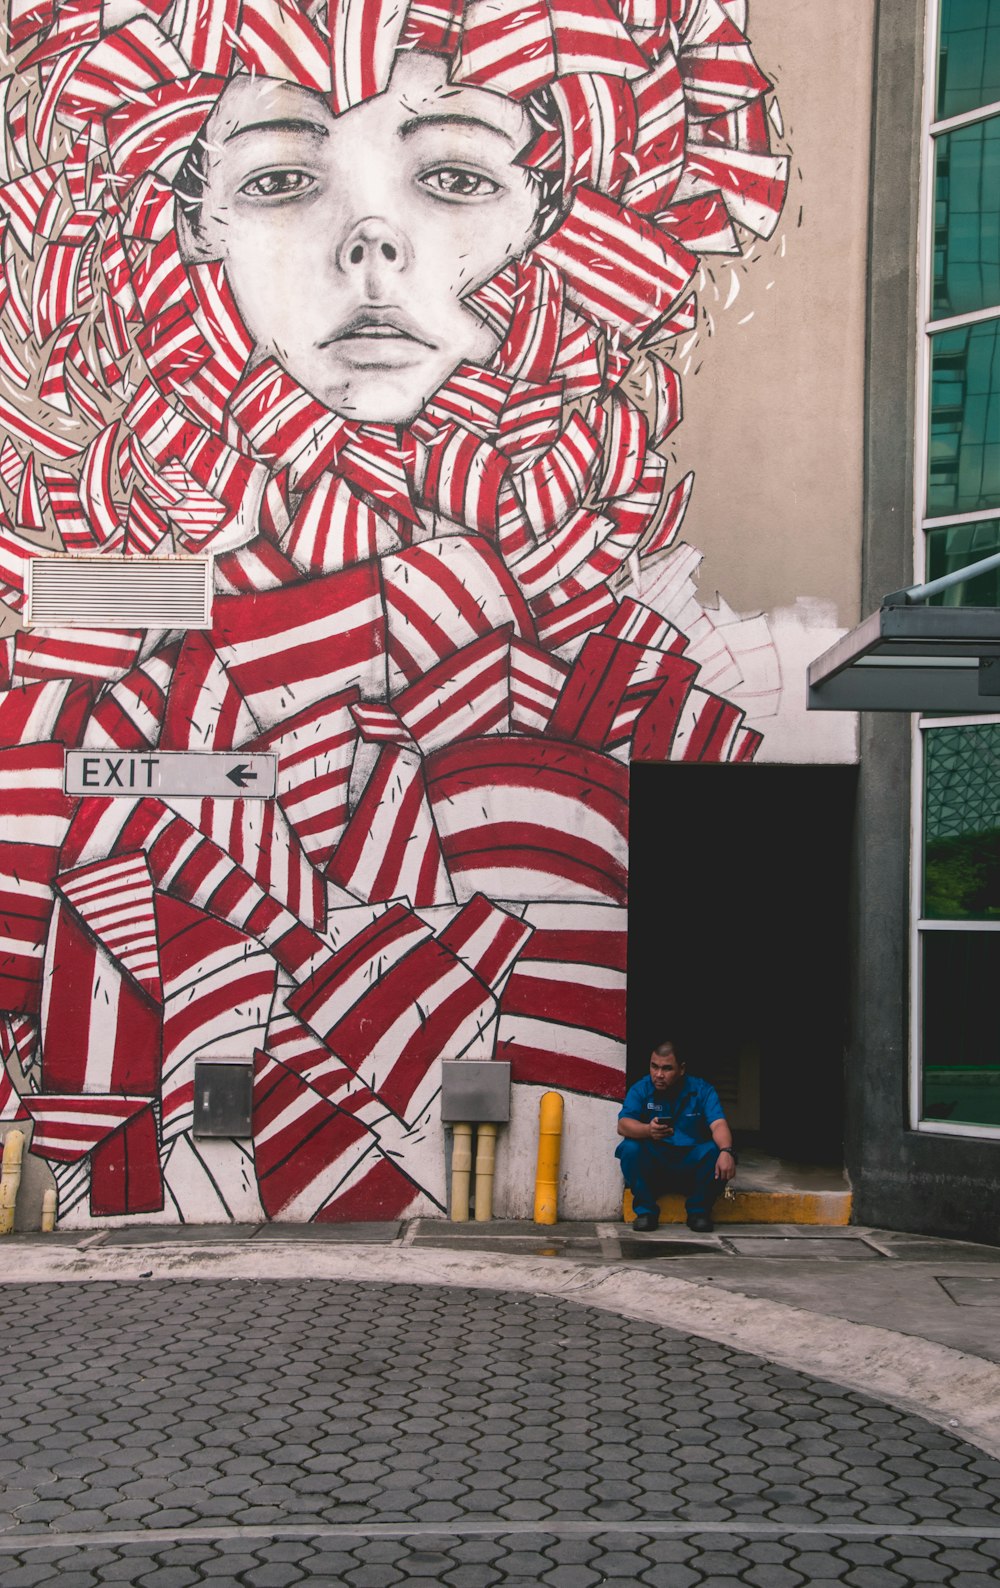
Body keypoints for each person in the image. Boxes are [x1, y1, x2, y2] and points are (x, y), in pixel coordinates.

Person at [617, 1040, 736, 1233]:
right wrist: (648, 1130)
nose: (658, 1075)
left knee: (716, 1150)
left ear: (681, 1069)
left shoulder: (702, 1090)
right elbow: (623, 1125)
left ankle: (699, 1212)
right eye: (654, 1066)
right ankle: (646, 1212)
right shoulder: (641, 1089)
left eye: (666, 1068)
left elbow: (718, 1124)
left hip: (690, 1167)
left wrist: (726, 1151)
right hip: (655, 1167)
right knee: (630, 1148)